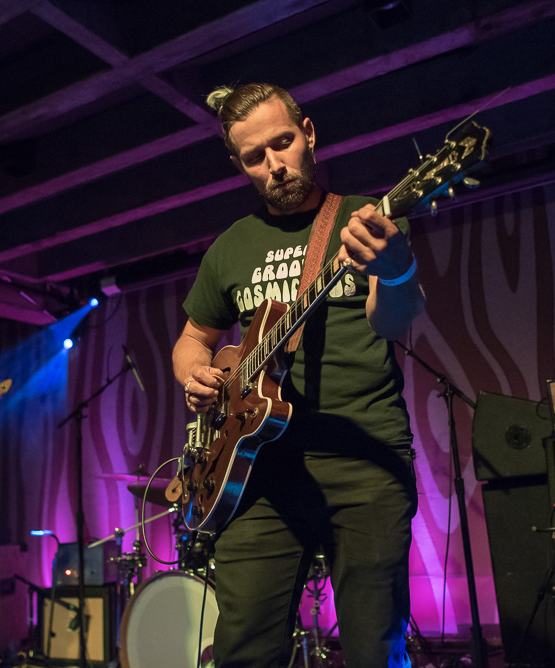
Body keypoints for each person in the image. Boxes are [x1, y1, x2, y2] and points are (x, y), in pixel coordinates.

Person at [172, 83, 426, 667]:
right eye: (256, 157)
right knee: (244, 650)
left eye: (282, 143)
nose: (275, 164)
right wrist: (197, 374)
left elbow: (396, 322)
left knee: (373, 647)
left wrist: (395, 269)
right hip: (257, 473)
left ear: (308, 134)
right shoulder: (230, 247)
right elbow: (193, 338)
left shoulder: (365, 222)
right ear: (238, 165)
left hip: (364, 462)